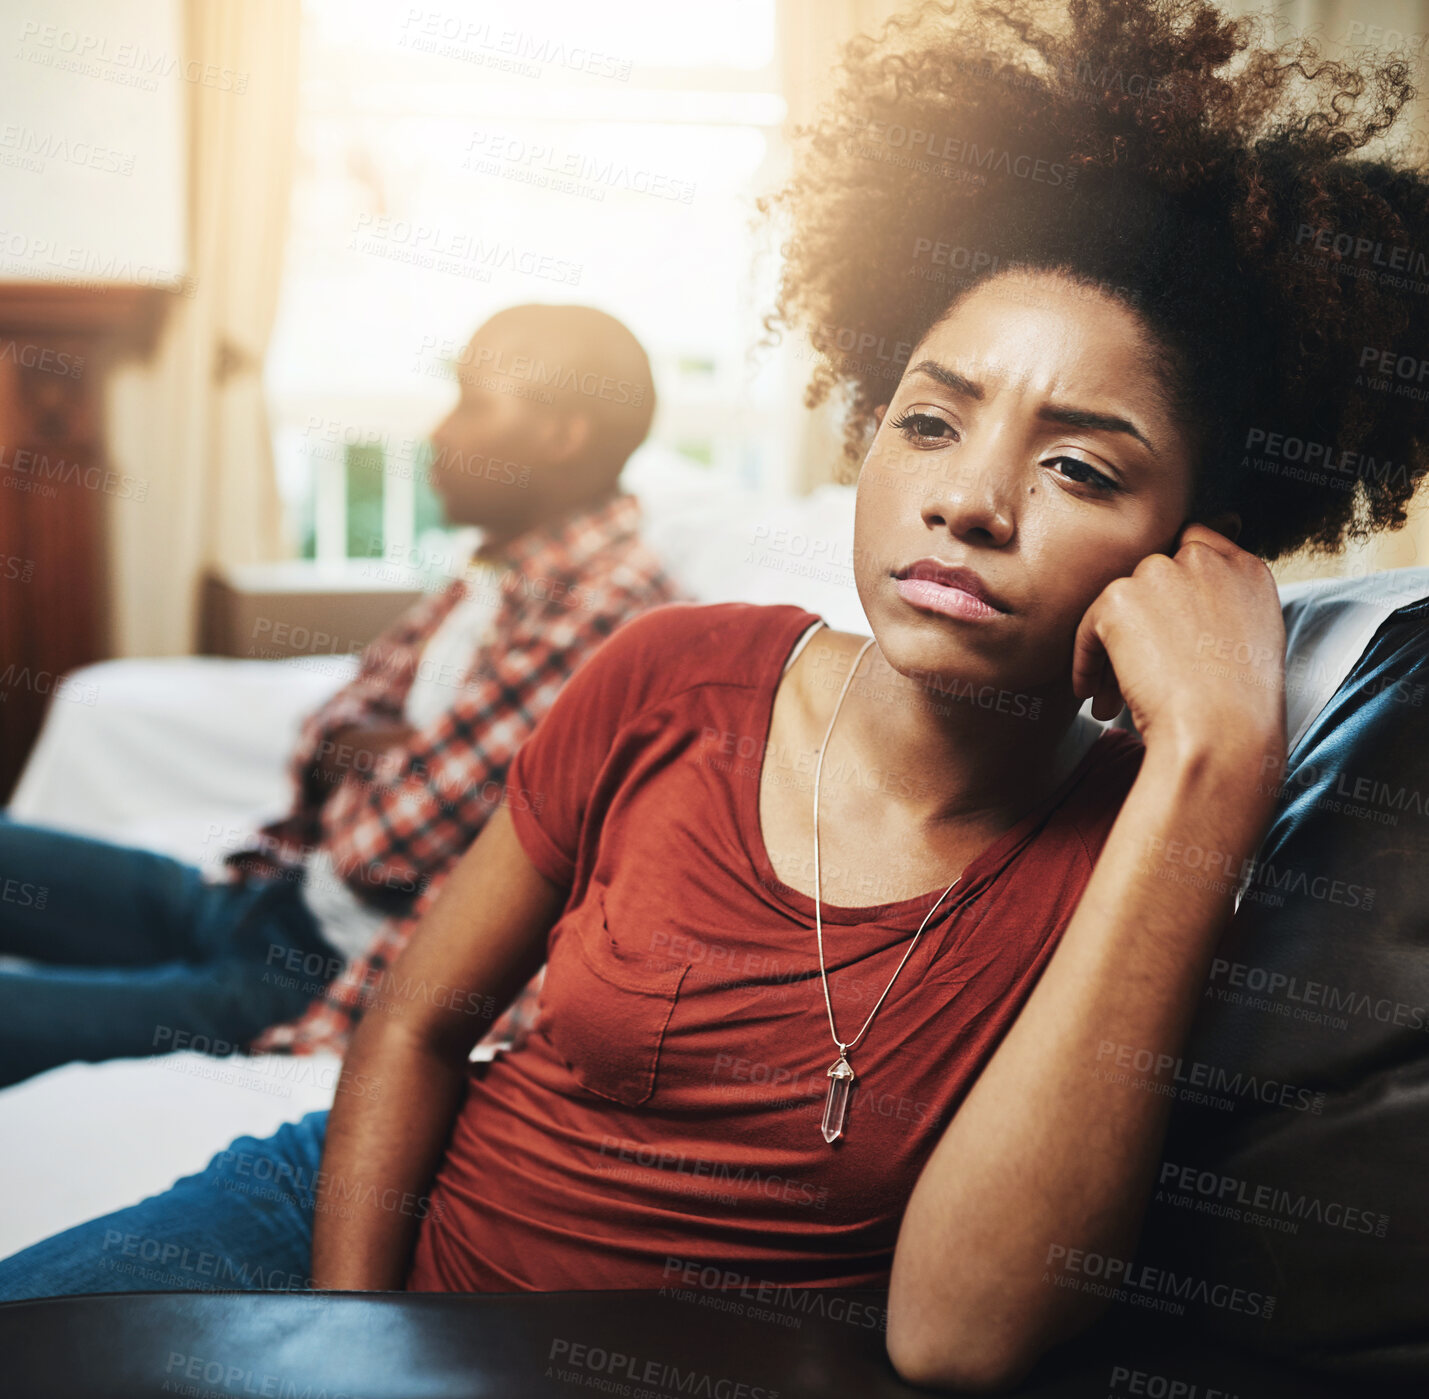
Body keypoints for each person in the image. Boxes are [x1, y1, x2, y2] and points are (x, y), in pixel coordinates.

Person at [4, 1, 1427, 1390]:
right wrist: (347, 1334)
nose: (967, 500)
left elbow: (959, 1336)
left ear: (1192, 541)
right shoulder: (672, 670)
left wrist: (1215, 759)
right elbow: (416, 1020)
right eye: (928, 420)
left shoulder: (1140, 851)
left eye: (1079, 467)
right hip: (332, 1237)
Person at [0, 303, 686, 1088]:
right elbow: (326, 728)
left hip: (312, 976)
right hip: (263, 897)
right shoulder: (505, 568)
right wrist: (375, 754)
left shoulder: (603, 610)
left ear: (562, 435)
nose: (440, 433)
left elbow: (381, 846)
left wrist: (377, 758)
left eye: (473, 402)